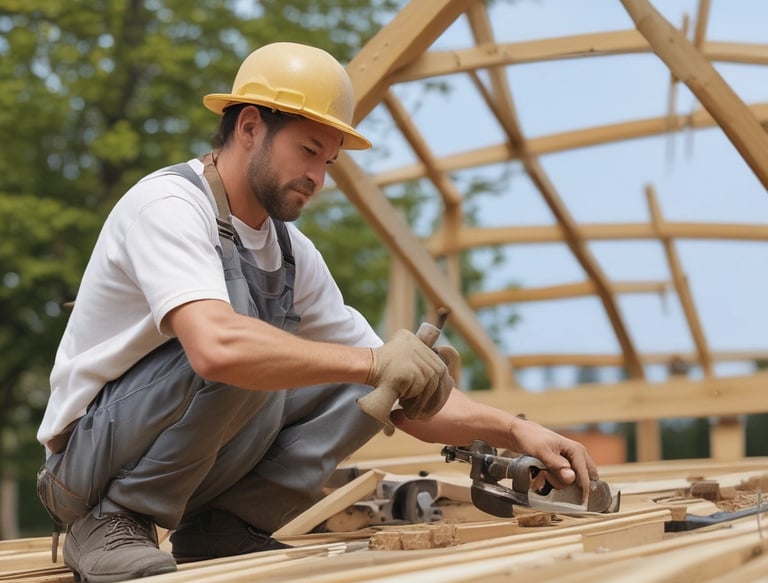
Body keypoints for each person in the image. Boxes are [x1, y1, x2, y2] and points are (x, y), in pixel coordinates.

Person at [36, 41, 599, 583]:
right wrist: (371, 363)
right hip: (87, 468)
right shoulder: (169, 207)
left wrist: (517, 430)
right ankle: (112, 522)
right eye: (308, 151)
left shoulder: (290, 253)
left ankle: (224, 526)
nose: (319, 177)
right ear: (250, 127)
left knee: (357, 376)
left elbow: (392, 388)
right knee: (246, 348)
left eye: (328, 161)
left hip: (193, 462)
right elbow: (215, 347)